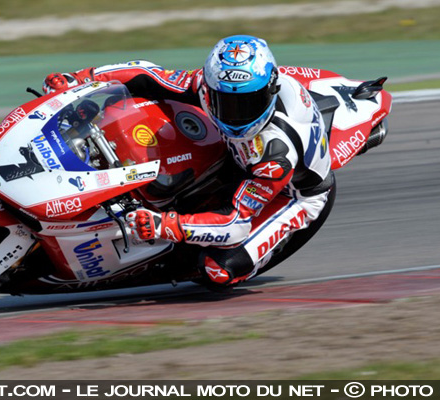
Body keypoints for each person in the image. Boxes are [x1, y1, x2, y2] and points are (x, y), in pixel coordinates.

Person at [43, 35, 335, 289]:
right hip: (238, 156)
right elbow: (148, 74)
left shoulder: (274, 156)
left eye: (249, 103)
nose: (236, 115)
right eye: (224, 102)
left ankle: (222, 261)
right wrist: (81, 78)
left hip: (291, 196)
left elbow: (236, 223)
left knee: (217, 270)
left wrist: (166, 225)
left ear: (269, 90)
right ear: (209, 88)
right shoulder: (207, 86)